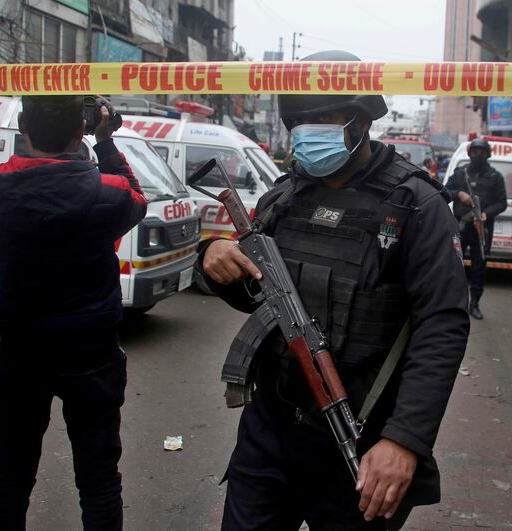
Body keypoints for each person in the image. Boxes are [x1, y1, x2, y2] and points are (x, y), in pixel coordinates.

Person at [196, 50, 470, 531]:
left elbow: (443, 324)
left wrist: (404, 440)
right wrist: (215, 263)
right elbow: (260, 301)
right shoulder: (281, 198)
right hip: (270, 430)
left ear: (361, 119)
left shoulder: (416, 206)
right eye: (300, 122)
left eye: (324, 117)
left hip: (361, 440)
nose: (309, 132)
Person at [0, 96, 147, 530]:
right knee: (99, 480)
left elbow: (9, 176)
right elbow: (137, 199)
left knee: (10, 476)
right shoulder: (107, 193)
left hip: (22, 352)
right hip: (92, 354)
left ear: (22, 126)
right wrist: (106, 143)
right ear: (80, 130)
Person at [445, 138, 507, 320]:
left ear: (488, 154)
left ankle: (474, 304)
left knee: (479, 267)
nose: (478, 155)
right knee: (455, 264)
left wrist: (486, 213)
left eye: (482, 152)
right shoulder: (460, 174)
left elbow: (502, 203)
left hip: (482, 228)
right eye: (475, 152)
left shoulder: (495, 177)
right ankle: (454, 302)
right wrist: (459, 194)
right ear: (470, 153)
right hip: (461, 225)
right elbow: (444, 191)